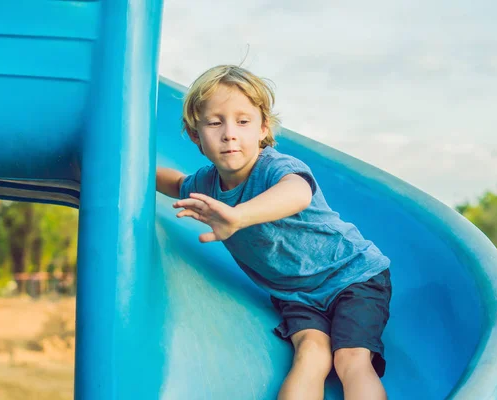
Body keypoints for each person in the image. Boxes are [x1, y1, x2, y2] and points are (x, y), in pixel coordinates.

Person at [156, 65, 392, 400]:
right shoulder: (207, 184)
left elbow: (297, 193)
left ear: (263, 127)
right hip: (297, 295)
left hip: (352, 276)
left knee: (350, 357)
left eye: (242, 121)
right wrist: (126, 167)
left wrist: (238, 216)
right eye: (214, 122)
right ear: (196, 135)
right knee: (311, 352)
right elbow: (176, 182)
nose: (229, 133)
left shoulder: (274, 168)